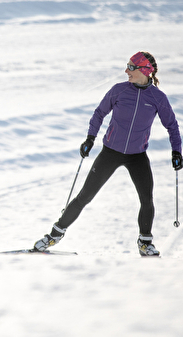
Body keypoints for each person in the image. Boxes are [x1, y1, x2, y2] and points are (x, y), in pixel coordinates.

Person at [34, 51, 182, 256]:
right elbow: (99, 112)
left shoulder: (158, 98)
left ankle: (145, 243)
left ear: (145, 71)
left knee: (146, 199)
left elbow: (172, 126)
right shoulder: (119, 90)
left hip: (137, 155)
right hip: (110, 152)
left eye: (131, 67)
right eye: (127, 65)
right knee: (85, 196)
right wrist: (90, 138)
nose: (126, 70)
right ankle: (53, 235)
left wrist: (176, 151)